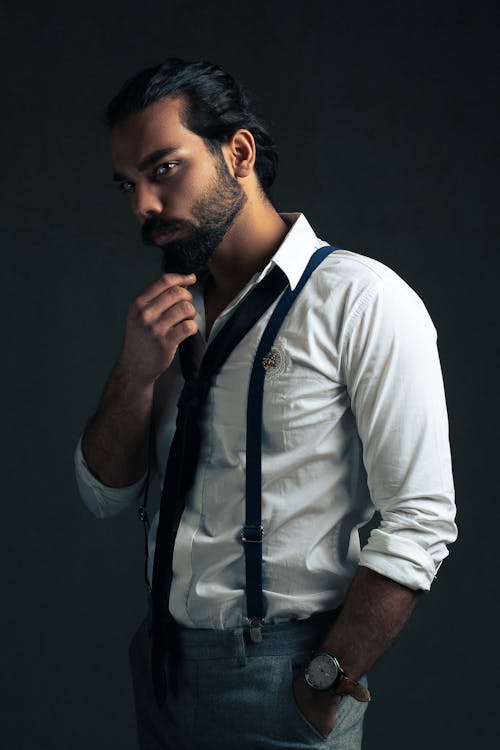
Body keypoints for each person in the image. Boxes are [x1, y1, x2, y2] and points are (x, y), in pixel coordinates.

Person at [74, 57, 457, 750]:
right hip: (160, 668)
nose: (143, 206)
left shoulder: (361, 299)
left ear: (239, 152)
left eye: (164, 169)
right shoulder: (167, 315)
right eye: (128, 185)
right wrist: (132, 375)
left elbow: (422, 518)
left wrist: (322, 685)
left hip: (284, 678)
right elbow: (103, 494)